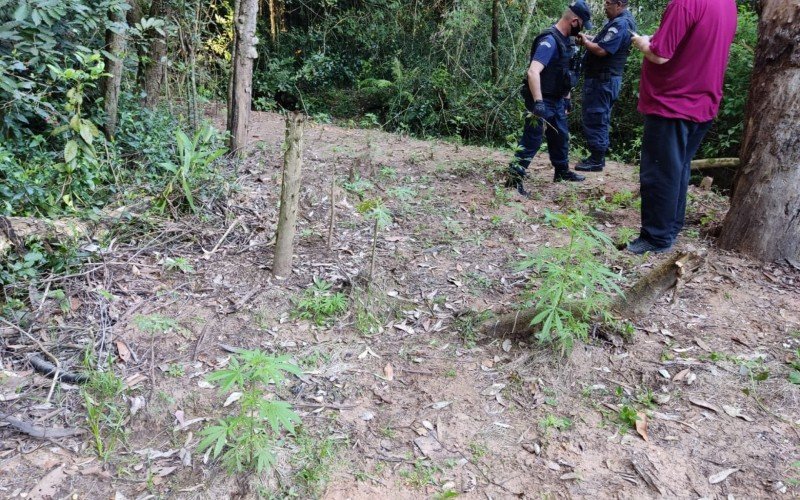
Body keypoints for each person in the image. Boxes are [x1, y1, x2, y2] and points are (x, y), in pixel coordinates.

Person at [626, 0, 737, 254]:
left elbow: (660, 54)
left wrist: (643, 42)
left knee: (660, 171)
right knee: (678, 167)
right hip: (703, 101)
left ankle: (656, 238)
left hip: (673, 102)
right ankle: (671, 227)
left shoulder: (686, 2)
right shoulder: (727, 4)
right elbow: (694, 43)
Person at [506, 1, 593, 196]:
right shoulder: (550, 40)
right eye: (581, 25)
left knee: (560, 135)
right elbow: (533, 72)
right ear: (574, 21)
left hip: (557, 99)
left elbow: (565, 75)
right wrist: (538, 103)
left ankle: (561, 171)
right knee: (532, 139)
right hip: (541, 99)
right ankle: (514, 178)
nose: (581, 30)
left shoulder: (566, 41)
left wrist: (567, 97)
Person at [574, 0, 637, 172]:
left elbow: (603, 50)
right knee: (598, 116)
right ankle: (596, 156)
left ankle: (596, 159)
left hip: (602, 81)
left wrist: (586, 43)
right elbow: (604, 41)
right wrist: (588, 40)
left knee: (596, 117)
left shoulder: (620, 24)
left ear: (618, 5)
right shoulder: (622, 22)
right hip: (605, 80)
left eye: (608, 3)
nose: (605, 7)